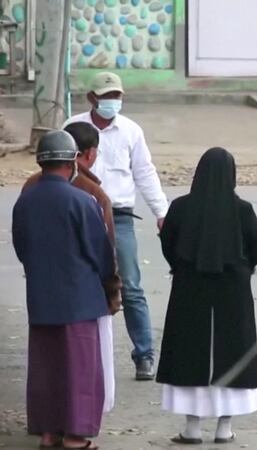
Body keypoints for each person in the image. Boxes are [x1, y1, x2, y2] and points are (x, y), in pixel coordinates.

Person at [13, 130, 115, 450]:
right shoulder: (82, 200)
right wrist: (109, 285)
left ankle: (47, 432)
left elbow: (22, 246)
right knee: (80, 369)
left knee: (46, 368)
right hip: (79, 297)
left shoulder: (26, 199)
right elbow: (101, 251)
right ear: (72, 162)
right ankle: (74, 435)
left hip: (41, 295)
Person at [64, 71, 169, 381]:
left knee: (131, 287)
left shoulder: (131, 131)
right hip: (82, 212)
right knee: (83, 284)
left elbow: (144, 173)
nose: (113, 102)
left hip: (120, 216)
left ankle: (144, 354)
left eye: (117, 97)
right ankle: (84, 354)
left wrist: (161, 211)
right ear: (92, 98)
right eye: (106, 97)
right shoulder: (73, 128)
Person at [156, 148, 257, 445]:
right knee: (230, 355)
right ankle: (224, 428)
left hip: (190, 290)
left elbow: (169, 244)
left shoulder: (180, 207)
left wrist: (182, 267)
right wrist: (241, 269)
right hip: (234, 292)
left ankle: (192, 428)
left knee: (191, 355)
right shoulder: (242, 210)